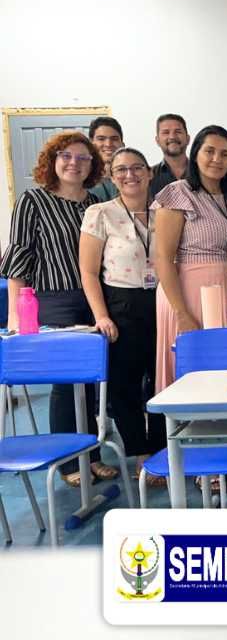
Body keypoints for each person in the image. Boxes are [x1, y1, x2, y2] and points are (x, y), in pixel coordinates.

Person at [0, 131, 112, 486]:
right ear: (53, 161)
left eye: (82, 158)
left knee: (90, 383)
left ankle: (92, 455)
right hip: (54, 300)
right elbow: (19, 258)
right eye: (66, 156)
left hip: (94, 298)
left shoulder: (93, 203)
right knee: (66, 384)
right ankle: (67, 464)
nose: (73, 163)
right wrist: (15, 316)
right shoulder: (33, 200)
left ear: (92, 166)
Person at [79, 147, 166, 485]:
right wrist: (101, 316)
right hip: (120, 303)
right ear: (112, 177)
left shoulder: (164, 211)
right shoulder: (100, 213)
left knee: (162, 380)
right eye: (121, 170)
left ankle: (160, 450)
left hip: (160, 301)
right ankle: (140, 453)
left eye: (137, 168)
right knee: (124, 384)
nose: (130, 175)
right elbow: (88, 272)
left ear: (149, 172)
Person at [152, 125, 227, 391]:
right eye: (210, 151)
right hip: (186, 292)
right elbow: (163, 258)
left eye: (225, 154)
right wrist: (181, 313)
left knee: (226, 369)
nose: (217, 159)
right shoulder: (178, 193)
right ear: (195, 153)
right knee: (193, 369)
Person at [150, 113, 190, 197]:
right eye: (166, 132)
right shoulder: (148, 176)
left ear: (188, 139)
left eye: (178, 132)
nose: (172, 137)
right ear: (157, 140)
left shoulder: (203, 172)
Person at [87, 116, 123, 202]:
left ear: (122, 144)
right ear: (90, 144)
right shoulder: (82, 179)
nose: (108, 144)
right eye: (101, 139)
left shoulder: (132, 178)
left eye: (114, 139)